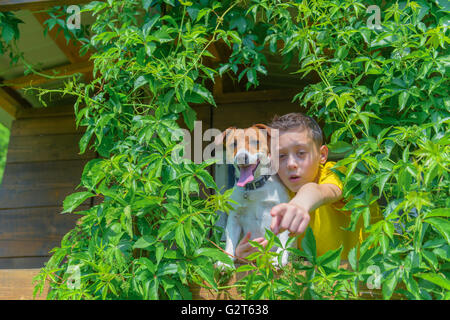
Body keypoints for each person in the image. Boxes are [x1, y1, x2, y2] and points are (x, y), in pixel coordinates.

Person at [235, 112, 381, 262]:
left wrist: (300, 204)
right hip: (316, 281)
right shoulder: (277, 191)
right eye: (281, 156)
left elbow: (324, 191)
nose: (291, 163)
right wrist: (244, 255)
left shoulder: (336, 172)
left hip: (370, 276)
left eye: (301, 153)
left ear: (322, 155)